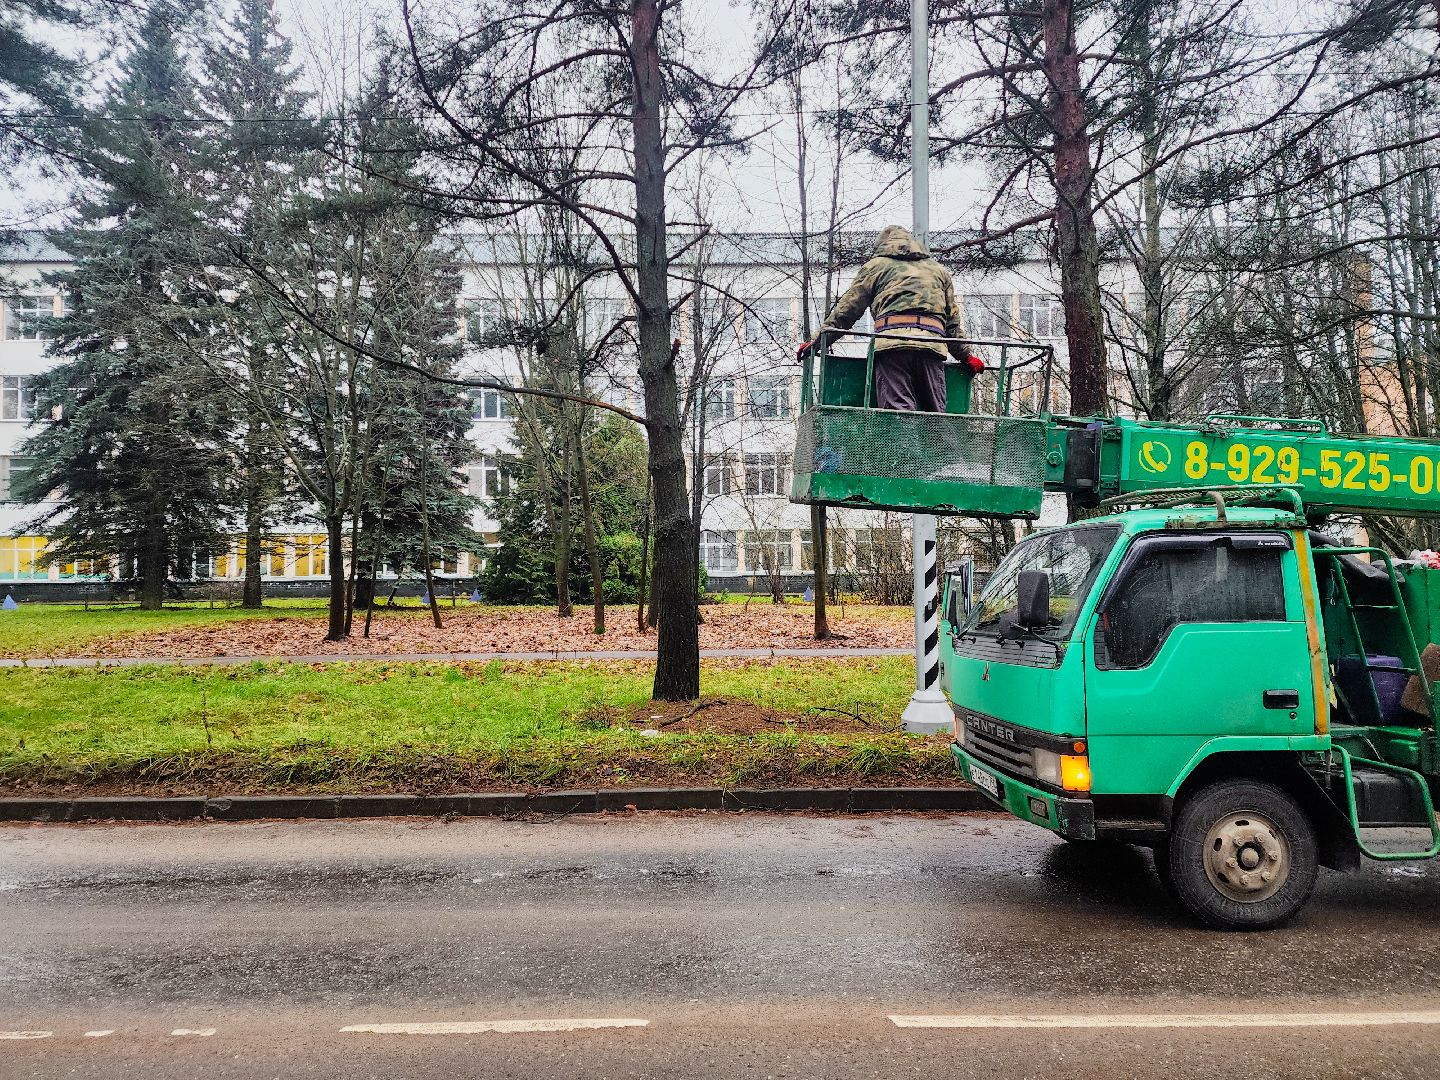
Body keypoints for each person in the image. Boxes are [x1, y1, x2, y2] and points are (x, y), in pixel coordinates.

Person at [809, 225, 980, 411]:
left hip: (892, 346)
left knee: (898, 413)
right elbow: (952, 323)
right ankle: (936, 429)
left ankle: (901, 429)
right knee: (935, 415)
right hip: (931, 345)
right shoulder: (938, 270)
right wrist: (966, 356)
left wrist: (817, 342)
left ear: (883, 245)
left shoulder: (876, 266)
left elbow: (848, 310)